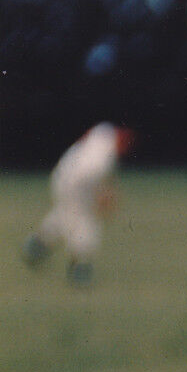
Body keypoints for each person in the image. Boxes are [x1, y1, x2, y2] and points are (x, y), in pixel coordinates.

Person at [22, 122, 134, 286]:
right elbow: (92, 185)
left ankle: (35, 247)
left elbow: (87, 136)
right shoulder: (101, 161)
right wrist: (104, 200)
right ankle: (80, 270)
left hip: (62, 175)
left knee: (64, 217)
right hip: (75, 185)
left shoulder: (103, 132)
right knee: (84, 224)